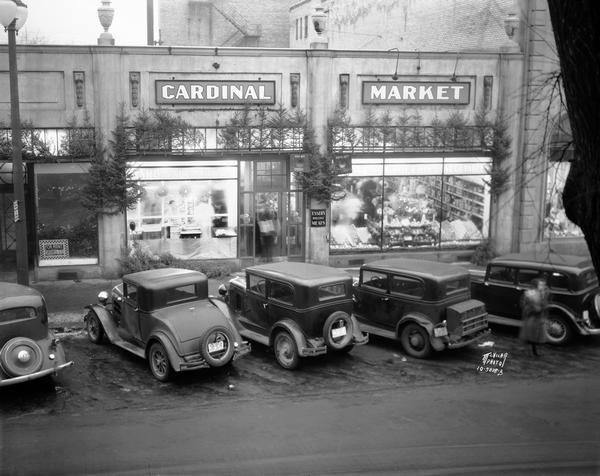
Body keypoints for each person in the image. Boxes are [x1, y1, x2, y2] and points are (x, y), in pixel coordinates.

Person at [519, 278, 549, 357]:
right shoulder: (530, 294)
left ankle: (533, 351)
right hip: (531, 316)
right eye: (541, 285)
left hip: (538, 317)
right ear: (536, 285)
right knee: (530, 334)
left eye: (543, 285)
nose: (543, 286)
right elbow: (525, 304)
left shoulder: (542, 293)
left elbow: (543, 304)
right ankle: (528, 351)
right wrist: (534, 309)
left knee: (535, 335)